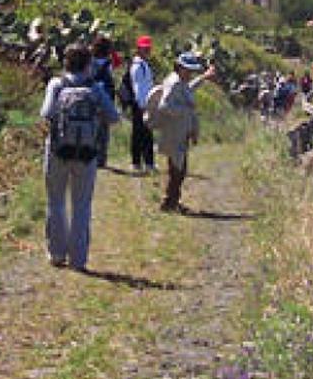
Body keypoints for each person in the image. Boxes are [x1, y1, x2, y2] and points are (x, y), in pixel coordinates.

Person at [41, 44, 120, 271]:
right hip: (87, 154)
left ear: (65, 62)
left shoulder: (57, 84)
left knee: (56, 202)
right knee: (81, 205)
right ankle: (78, 260)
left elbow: (46, 113)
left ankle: (56, 253)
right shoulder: (95, 88)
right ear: (89, 64)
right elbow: (113, 118)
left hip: (58, 150)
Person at [145, 52, 217, 213]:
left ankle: (172, 201)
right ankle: (169, 203)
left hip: (179, 131)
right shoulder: (174, 83)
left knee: (179, 169)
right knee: (177, 170)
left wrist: (203, 78)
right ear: (180, 67)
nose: (190, 73)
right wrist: (185, 110)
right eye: (188, 69)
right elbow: (165, 106)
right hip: (174, 131)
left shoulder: (179, 82)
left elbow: (188, 90)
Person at [126, 35, 157, 174]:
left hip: (145, 104)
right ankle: (139, 163)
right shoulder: (138, 66)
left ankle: (145, 163)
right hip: (141, 105)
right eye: (145, 48)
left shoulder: (143, 65)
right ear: (138, 49)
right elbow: (138, 87)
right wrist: (142, 105)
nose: (147, 50)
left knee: (144, 134)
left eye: (148, 48)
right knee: (141, 135)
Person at [90, 36, 117, 168]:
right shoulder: (109, 62)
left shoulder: (90, 62)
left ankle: (92, 156)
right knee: (104, 130)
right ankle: (101, 158)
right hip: (106, 97)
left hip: (93, 98)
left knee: (93, 129)